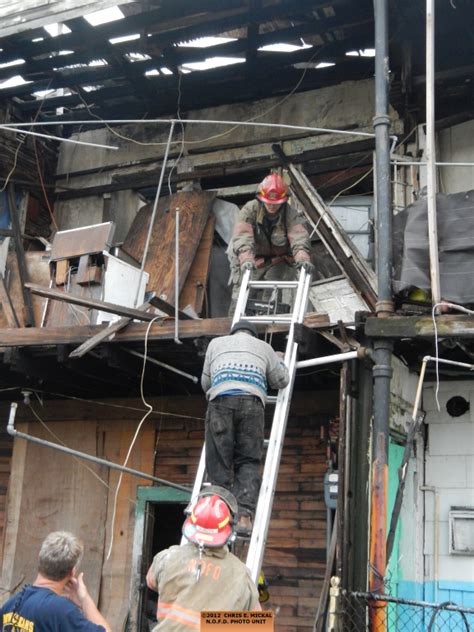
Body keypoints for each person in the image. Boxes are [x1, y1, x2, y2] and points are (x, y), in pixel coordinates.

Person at [201, 320, 289, 535]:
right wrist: (279, 360)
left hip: (220, 402)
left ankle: (219, 512)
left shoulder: (215, 344)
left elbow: (206, 383)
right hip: (252, 404)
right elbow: (281, 380)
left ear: (233, 333)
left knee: (219, 459)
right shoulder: (264, 348)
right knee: (248, 460)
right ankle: (244, 516)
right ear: (253, 335)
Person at [146, 489, 260, 630]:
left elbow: (151, 582)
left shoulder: (167, 558)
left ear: (190, 523)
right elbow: (257, 625)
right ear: (229, 529)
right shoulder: (241, 575)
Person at [228, 171, 314, 313]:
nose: (272, 206)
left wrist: (303, 258)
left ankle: (270, 329)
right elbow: (243, 236)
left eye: (276, 203)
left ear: (284, 201)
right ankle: (235, 327)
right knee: (242, 294)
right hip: (250, 256)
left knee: (273, 291)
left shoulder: (290, 214)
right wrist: (246, 259)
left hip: (277, 259)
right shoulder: (249, 210)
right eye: (268, 202)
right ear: (261, 198)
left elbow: (299, 236)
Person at [0, 531, 111, 632]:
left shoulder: (11, 604)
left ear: (39, 557)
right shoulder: (61, 610)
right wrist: (84, 599)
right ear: (72, 572)